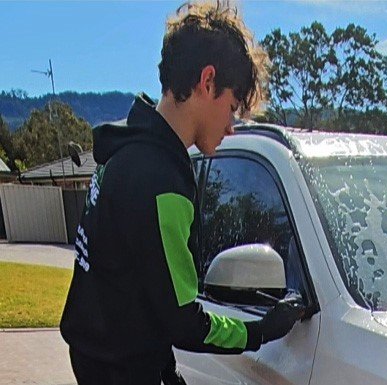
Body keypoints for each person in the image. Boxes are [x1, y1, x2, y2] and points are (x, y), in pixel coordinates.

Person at [60, 1, 303, 384]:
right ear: (208, 82)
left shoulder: (122, 154)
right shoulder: (160, 182)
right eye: (233, 107)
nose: (231, 128)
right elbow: (183, 320)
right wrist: (262, 331)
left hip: (97, 361)